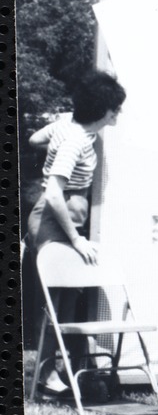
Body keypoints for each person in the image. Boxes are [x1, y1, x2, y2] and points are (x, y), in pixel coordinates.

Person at [25, 71, 126, 396]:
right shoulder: (75, 140)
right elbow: (55, 193)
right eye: (116, 108)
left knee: (64, 302)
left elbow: (33, 140)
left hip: (61, 222)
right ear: (104, 110)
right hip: (55, 222)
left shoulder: (71, 128)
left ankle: (52, 370)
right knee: (52, 303)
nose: (118, 114)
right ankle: (46, 376)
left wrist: (57, 135)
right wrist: (76, 238)